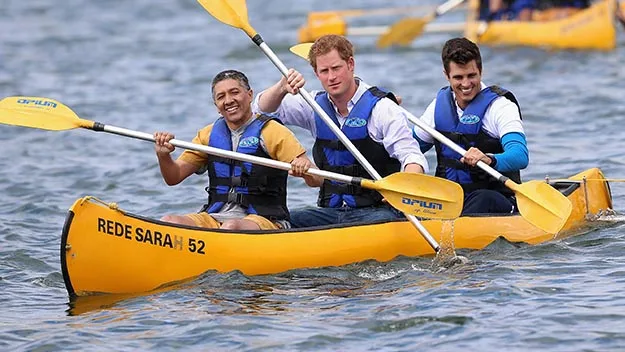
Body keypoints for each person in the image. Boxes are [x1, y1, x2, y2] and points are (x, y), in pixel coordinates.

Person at [252, 34, 429, 228]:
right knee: (279, 220)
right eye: (324, 71)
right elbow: (261, 110)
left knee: (372, 221)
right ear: (316, 73)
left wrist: (404, 188)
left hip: (379, 211)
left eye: (336, 68)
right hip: (331, 211)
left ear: (350, 64)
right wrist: (281, 88)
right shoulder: (314, 105)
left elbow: (412, 157)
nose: (331, 77)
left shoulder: (383, 108)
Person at [154, 69, 314, 230]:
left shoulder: (273, 132)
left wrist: (304, 170)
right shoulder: (207, 135)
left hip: (267, 220)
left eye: (234, 92)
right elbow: (173, 177)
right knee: (169, 221)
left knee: (231, 227)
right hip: (216, 217)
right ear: (216, 106)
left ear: (250, 95)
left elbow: (317, 179)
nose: (229, 100)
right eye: (221, 97)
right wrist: (163, 156)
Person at [412, 37, 529, 215]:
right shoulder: (438, 107)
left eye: (471, 76)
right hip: (450, 201)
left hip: (497, 199)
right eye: (458, 77)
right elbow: (408, 148)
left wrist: (489, 159)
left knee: (482, 199)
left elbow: (520, 156)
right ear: (446, 75)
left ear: (480, 71)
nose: (466, 84)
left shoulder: (501, 107)